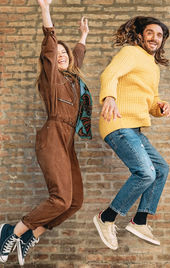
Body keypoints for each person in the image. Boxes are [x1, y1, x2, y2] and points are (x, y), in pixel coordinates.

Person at [0, 0, 91, 265]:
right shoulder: (51, 80)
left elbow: (76, 57)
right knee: (61, 199)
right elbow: (51, 46)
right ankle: (12, 230)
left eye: (65, 52)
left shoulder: (73, 80)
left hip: (67, 141)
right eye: (57, 52)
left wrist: (82, 38)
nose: (61, 54)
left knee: (74, 202)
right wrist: (45, 10)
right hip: (52, 136)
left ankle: (31, 234)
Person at [93, 16, 170, 250]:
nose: (154, 38)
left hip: (134, 128)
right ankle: (106, 218)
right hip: (118, 123)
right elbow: (109, 75)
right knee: (145, 173)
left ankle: (140, 220)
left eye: (159, 35)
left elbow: (151, 101)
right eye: (150, 33)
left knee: (161, 169)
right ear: (140, 35)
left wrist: (160, 107)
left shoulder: (152, 65)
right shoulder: (131, 52)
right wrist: (109, 97)